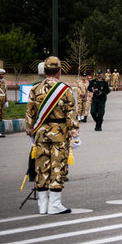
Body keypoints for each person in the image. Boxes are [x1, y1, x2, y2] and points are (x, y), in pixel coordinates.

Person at [25, 56, 79, 214]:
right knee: (58, 167)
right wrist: (74, 132)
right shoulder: (65, 89)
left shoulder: (35, 89)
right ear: (59, 71)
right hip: (59, 134)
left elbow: (30, 113)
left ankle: (42, 205)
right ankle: (54, 205)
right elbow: (71, 113)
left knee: (41, 167)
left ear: (45, 71)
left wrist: (30, 130)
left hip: (41, 134)